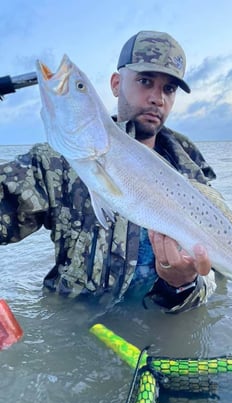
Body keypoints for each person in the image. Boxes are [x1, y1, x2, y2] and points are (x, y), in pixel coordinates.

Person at [0, 30, 217, 312]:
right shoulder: (55, 162)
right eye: (145, 81)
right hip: (75, 332)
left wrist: (182, 285)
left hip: (154, 333)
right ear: (116, 84)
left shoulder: (192, 174)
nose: (157, 98)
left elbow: (215, 280)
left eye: (169, 89)